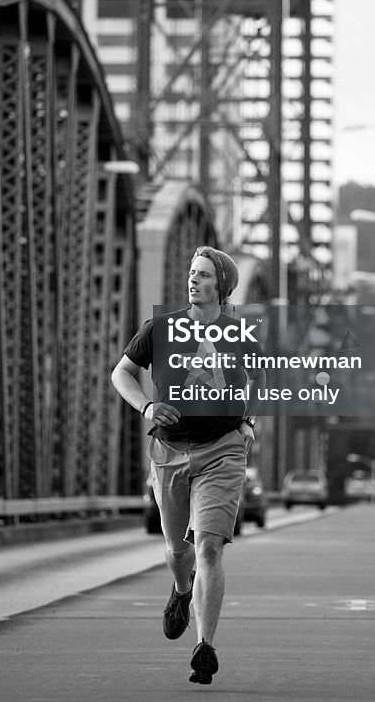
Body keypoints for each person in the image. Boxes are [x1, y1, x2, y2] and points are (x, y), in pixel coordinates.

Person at [111, 245, 264, 685]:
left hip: (223, 448)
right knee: (179, 551)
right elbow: (121, 373)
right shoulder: (159, 328)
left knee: (209, 546)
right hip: (169, 452)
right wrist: (145, 408)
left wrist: (250, 420)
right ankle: (181, 590)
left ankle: (204, 647)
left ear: (223, 287)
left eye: (203, 275)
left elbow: (263, 376)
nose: (192, 280)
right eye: (191, 273)